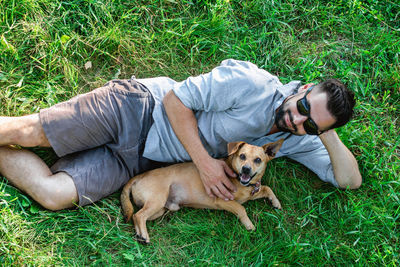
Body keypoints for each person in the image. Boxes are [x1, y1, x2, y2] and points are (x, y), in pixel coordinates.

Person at [0, 59, 362, 210]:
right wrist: (205, 164)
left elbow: (349, 181)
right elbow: (176, 101)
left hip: (143, 161)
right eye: (302, 109)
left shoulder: (298, 137)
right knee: (30, 131)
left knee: (53, 194)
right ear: (304, 88)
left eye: (311, 124)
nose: (298, 121)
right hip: (138, 109)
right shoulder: (251, 84)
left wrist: (325, 132)